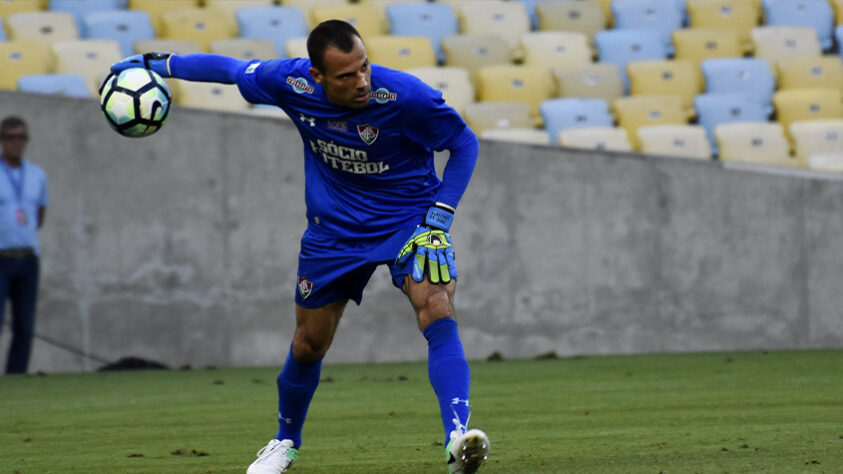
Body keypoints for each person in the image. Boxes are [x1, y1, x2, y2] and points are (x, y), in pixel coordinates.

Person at [111, 20, 489, 474]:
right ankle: (284, 442)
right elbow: (229, 70)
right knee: (309, 343)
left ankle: (456, 438)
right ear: (317, 76)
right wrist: (156, 64)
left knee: (437, 306)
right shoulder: (288, 82)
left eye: (364, 67)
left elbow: (464, 143)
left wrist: (440, 217)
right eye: (347, 76)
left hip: (410, 223)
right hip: (333, 232)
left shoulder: (407, 96)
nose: (362, 81)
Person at [0, 116, 48, 375]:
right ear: (1, 140)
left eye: (20, 137)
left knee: (24, 325)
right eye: (10, 137)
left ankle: (16, 378)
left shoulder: (37, 175)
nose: (15, 143)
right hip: (1, 257)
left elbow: (40, 214)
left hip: (28, 258)